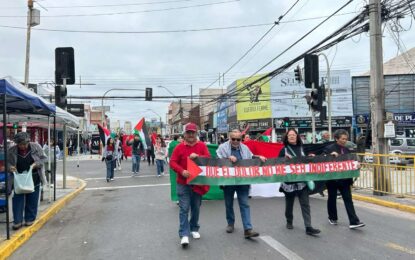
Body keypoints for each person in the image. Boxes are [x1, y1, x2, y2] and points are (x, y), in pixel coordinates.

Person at [216, 129, 266, 239]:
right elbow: (217, 160)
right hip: (228, 180)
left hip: (242, 180)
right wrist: (227, 158)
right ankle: (230, 223)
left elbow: (251, 156)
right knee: (229, 203)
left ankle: (248, 229)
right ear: (229, 138)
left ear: (241, 139)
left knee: (244, 203)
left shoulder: (245, 148)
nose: (235, 141)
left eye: (238, 139)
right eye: (233, 139)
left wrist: (259, 157)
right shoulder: (222, 148)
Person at [170, 122, 210, 248]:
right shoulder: (179, 147)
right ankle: (184, 234)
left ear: (196, 133)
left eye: (193, 132)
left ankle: (194, 228)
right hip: (183, 183)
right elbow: (172, 162)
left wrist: (198, 156)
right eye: (189, 132)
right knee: (184, 208)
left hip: (197, 183)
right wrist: (182, 171)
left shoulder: (202, 146)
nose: (191, 134)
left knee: (196, 207)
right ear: (185, 134)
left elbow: (208, 159)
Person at [278, 128, 321, 236]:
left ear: (297, 136)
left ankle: (308, 227)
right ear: (287, 138)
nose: (292, 136)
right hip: (289, 181)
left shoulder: (303, 148)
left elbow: (306, 159)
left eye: (293, 135)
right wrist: (284, 159)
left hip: (302, 180)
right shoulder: (284, 150)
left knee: (305, 204)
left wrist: (311, 157)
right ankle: (289, 220)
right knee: (289, 204)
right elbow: (278, 165)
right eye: (289, 135)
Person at [323, 129, 365, 229]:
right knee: (332, 198)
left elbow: (351, 161)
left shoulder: (348, 149)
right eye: (342, 139)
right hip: (332, 179)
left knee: (348, 199)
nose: (344, 141)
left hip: (345, 179)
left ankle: (354, 221)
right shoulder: (329, 148)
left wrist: (357, 165)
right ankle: (332, 217)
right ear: (336, 138)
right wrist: (330, 156)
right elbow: (322, 161)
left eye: (346, 139)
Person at [7, 132, 47, 230]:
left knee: (32, 199)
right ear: (17, 144)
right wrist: (10, 167)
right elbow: (7, 163)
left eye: (25, 144)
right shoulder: (12, 150)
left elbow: (44, 159)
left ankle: (29, 219)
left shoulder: (36, 147)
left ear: (28, 141)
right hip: (18, 179)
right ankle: (17, 221)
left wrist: (35, 164)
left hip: (34, 177)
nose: (23, 146)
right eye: (21, 144)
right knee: (17, 199)